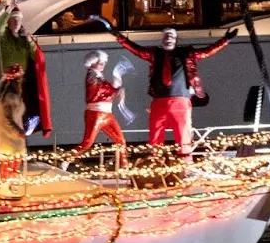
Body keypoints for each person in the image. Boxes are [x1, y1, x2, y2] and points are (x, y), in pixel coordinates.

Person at [91, 17, 237, 149]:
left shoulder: (187, 53)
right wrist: (116, 34)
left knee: (183, 137)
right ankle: (156, 167)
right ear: (162, 39)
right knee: (155, 138)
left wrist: (225, 40)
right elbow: (134, 48)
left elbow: (207, 51)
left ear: (176, 39)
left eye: (172, 36)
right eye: (166, 36)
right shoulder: (155, 54)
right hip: (159, 102)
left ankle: (186, 167)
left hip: (180, 101)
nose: (169, 38)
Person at [0, 3, 52, 137]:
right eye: (13, 20)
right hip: (5, 81)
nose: (16, 23)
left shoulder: (24, 39)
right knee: (7, 111)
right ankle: (9, 136)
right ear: (8, 22)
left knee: (20, 111)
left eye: (18, 20)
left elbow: (35, 56)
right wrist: (7, 11)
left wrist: (30, 41)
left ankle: (21, 135)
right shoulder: (3, 37)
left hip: (20, 81)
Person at [75, 51, 133, 162]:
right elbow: (101, 91)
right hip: (95, 114)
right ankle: (66, 160)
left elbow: (105, 90)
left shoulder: (97, 76)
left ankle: (125, 168)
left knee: (121, 141)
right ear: (92, 62)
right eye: (100, 63)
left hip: (106, 114)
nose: (103, 65)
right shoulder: (92, 75)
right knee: (87, 142)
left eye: (104, 63)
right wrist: (116, 87)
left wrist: (116, 88)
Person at [0, 66, 28, 180]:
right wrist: (18, 130)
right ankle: (7, 183)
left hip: (4, 134)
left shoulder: (0, 95)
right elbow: (8, 117)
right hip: (10, 136)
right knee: (12, 162)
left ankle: (6, 182)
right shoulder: (10, 97)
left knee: (7, 162)